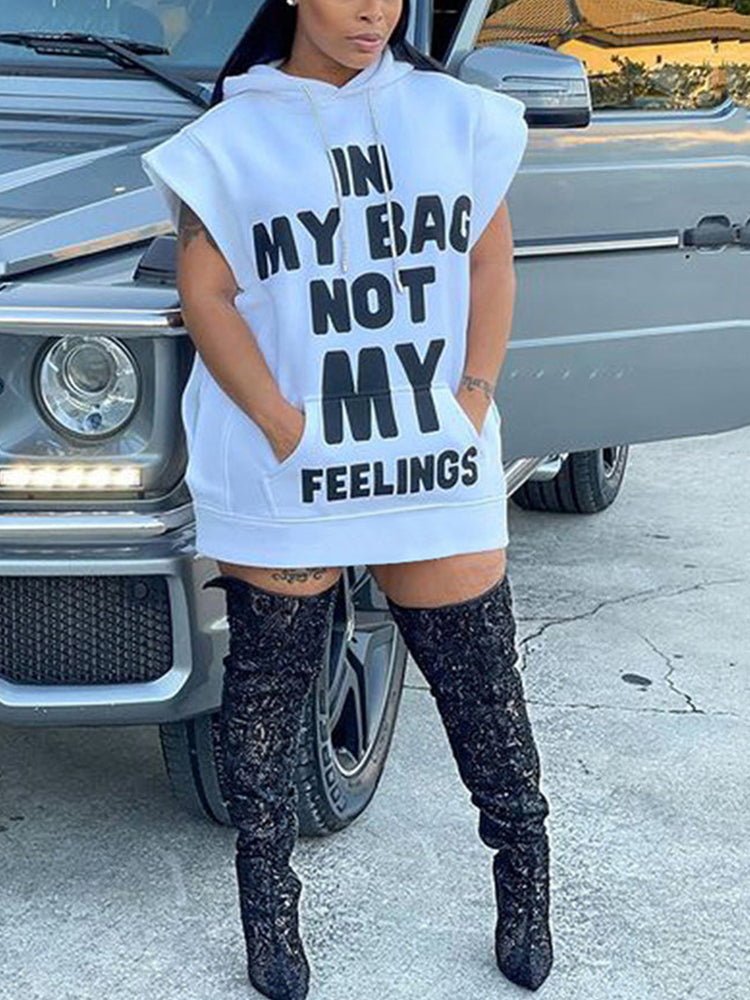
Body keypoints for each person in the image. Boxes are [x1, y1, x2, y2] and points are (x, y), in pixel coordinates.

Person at [140, 0, 553, 996]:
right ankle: (269, 914)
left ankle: (527, 887)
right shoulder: (233, 135)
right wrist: (282, 424)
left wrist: (472, 396)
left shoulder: (455, 116)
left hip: (430, 453)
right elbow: (207, 291)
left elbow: (488, 257)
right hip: (290, 460)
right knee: (267, 694)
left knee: (485, 690)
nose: (376, 9)